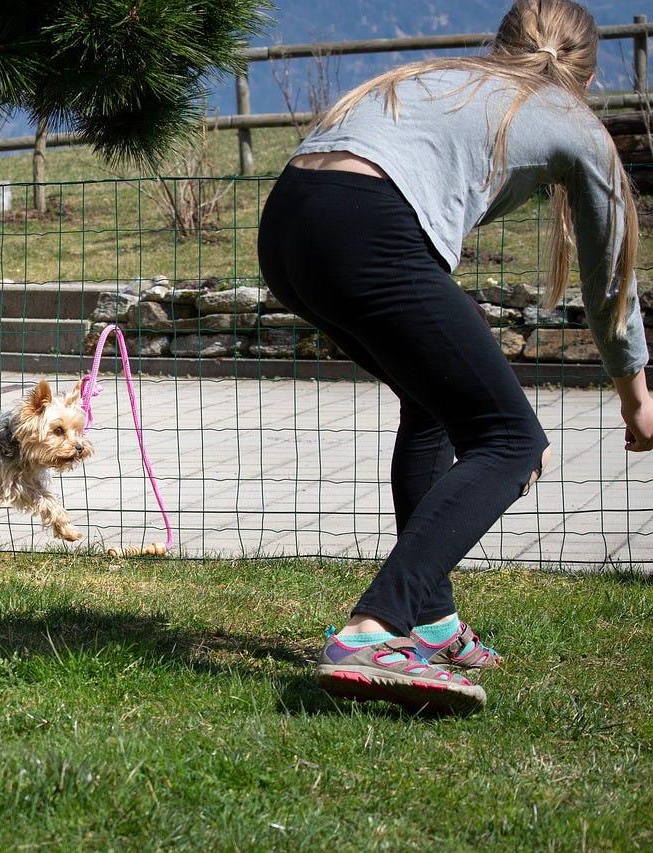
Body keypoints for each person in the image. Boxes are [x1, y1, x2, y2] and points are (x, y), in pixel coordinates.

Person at [256, 0, 653, 715]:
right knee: (512, 440)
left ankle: (431, 621)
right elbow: (610, 282)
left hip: (287, 223)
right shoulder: (575, 124)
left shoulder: (442, 76)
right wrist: (637, 397)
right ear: (588, 79)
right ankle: (374, 629)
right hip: (365, 224)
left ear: (500, 45)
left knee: (434, 406)